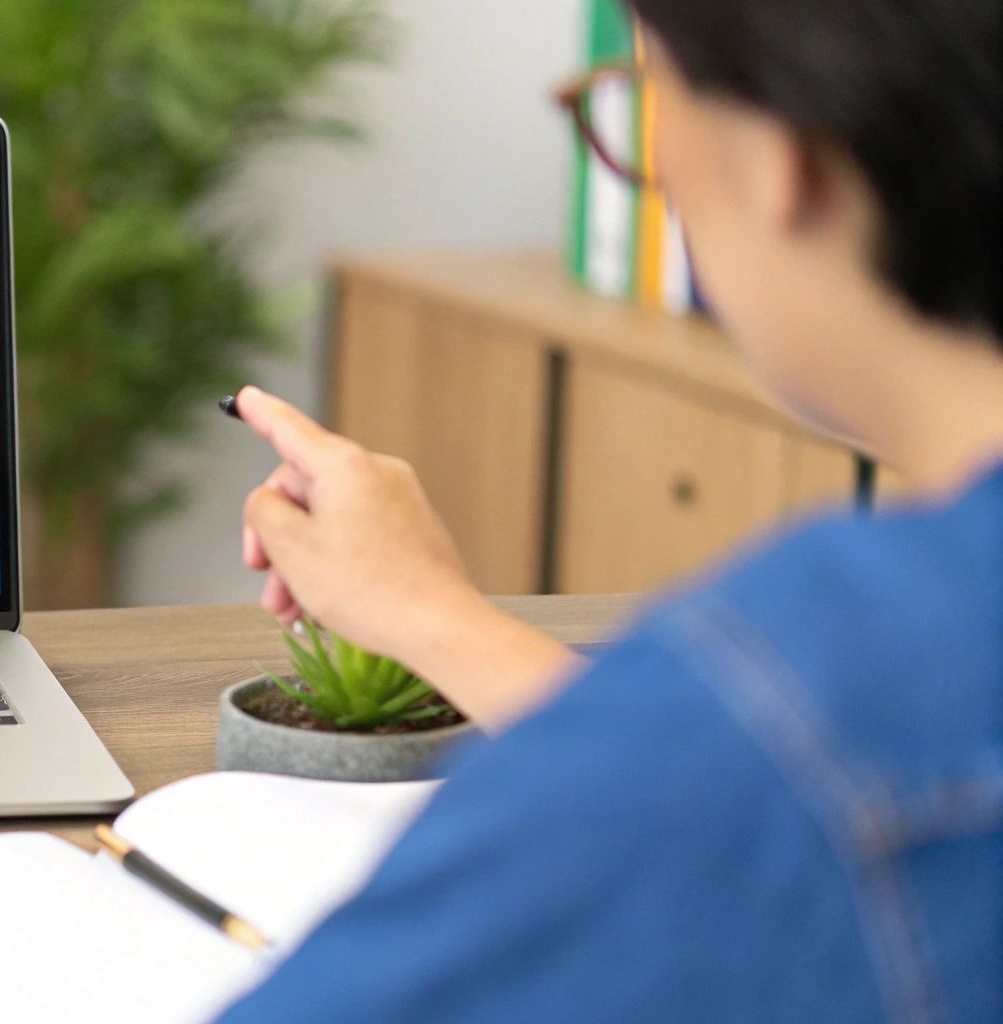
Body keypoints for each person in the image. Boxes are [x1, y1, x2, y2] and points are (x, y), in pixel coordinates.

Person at [219, 0, 999, 1020]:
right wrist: (425, 611)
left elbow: (749, 763)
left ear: (776, 152)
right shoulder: (789, 712)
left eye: (641, 101)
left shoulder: (798, 671)